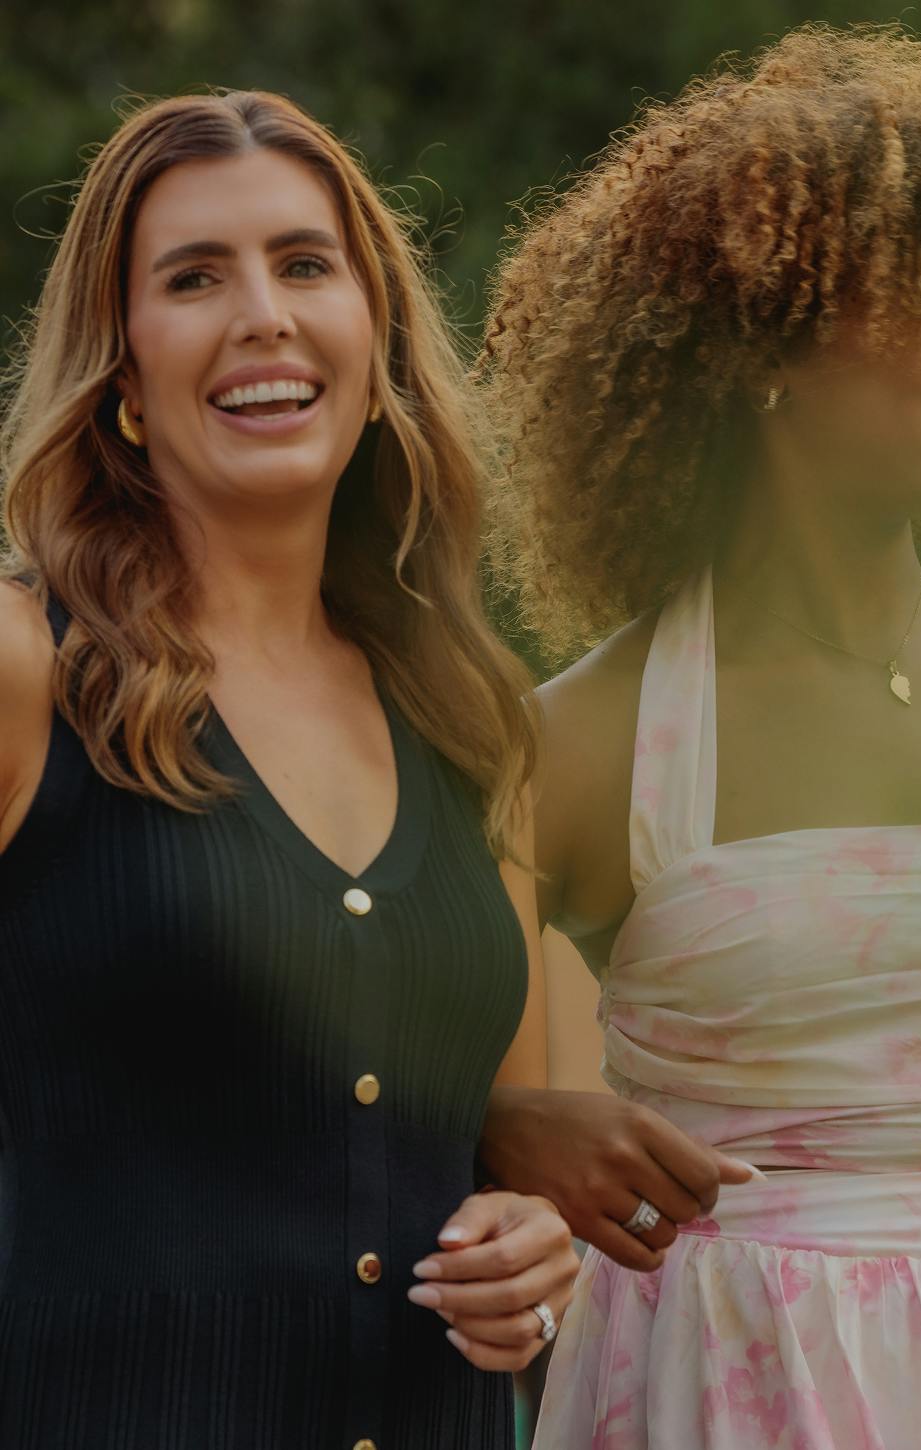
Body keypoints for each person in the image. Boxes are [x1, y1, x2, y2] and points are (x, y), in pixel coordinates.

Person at [476, 24, 921, 1449]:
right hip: (723, 1371)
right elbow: (379, 1073)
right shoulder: (576, 742)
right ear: (762, 352)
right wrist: (499, 1130)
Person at [0, 91, 578, 1449]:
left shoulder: (475, 721)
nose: (262, 312)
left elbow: (515, 1143)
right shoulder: (26, 664)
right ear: (122, 373)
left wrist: (532, 1249)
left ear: (373, 344)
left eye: (304, 264)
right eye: (195, 278)